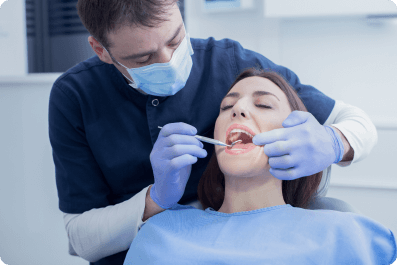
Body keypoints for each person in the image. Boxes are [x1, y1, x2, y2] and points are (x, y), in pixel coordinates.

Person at [49, 0, 377, 264]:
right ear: (101, 50)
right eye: (144, 58)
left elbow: (356, 122)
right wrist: (157, 199)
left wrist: (335, 141)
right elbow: (81, 238)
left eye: (176, 40)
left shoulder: (229, 62)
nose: (168, 59)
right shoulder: (75, 97)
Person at [123, 69, 397, 265]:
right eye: (226, 105)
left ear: (299, 137)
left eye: (264, 104)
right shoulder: (160, 234)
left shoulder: (350, 235)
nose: (238, 109)